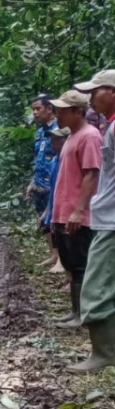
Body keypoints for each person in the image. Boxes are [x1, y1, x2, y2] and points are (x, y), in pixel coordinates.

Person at [70, 70, 115, 373]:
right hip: (107, 217)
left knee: (95, 287)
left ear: (111, 92)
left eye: (95, 91)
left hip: (111, 220)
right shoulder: (109, 127)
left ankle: (104, 352)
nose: (90, 98)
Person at [48, 89, 103, 329]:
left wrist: (79, 211)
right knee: (71, 265)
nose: (57, 114)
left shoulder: (89, 136)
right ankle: (74, 311)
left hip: (78, 214)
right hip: (64, 212)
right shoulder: (72, 136)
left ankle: (83, 314)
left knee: (81, 266)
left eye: (62, 110)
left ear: (76, 111)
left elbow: (92, 173)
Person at [28, 94, 60, 269]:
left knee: (55, 221)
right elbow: (38, 158)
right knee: (43, 221)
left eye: (38, 108)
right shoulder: (40, 132)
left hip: (53, 183)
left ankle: (61, 257)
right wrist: (32, 182)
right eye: (33, 109)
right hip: (39, 183)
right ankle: (53, 254)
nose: (35, 112)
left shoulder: (59, 129)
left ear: (49, 109)